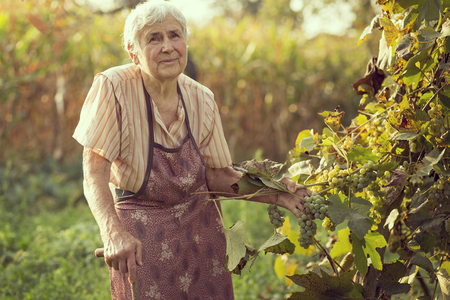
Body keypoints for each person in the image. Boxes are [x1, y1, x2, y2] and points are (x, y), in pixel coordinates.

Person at [73, 1, 308, 299]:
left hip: (202, 235)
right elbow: (94, 172)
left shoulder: (202, 99)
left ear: (185, 43)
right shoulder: (113, 87)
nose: (168, 46)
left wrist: (278, 194)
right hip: (141, 241)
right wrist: (113, 234)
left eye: (175, 35)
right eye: (154, 38)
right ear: (134, 52)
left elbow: (219, 176)